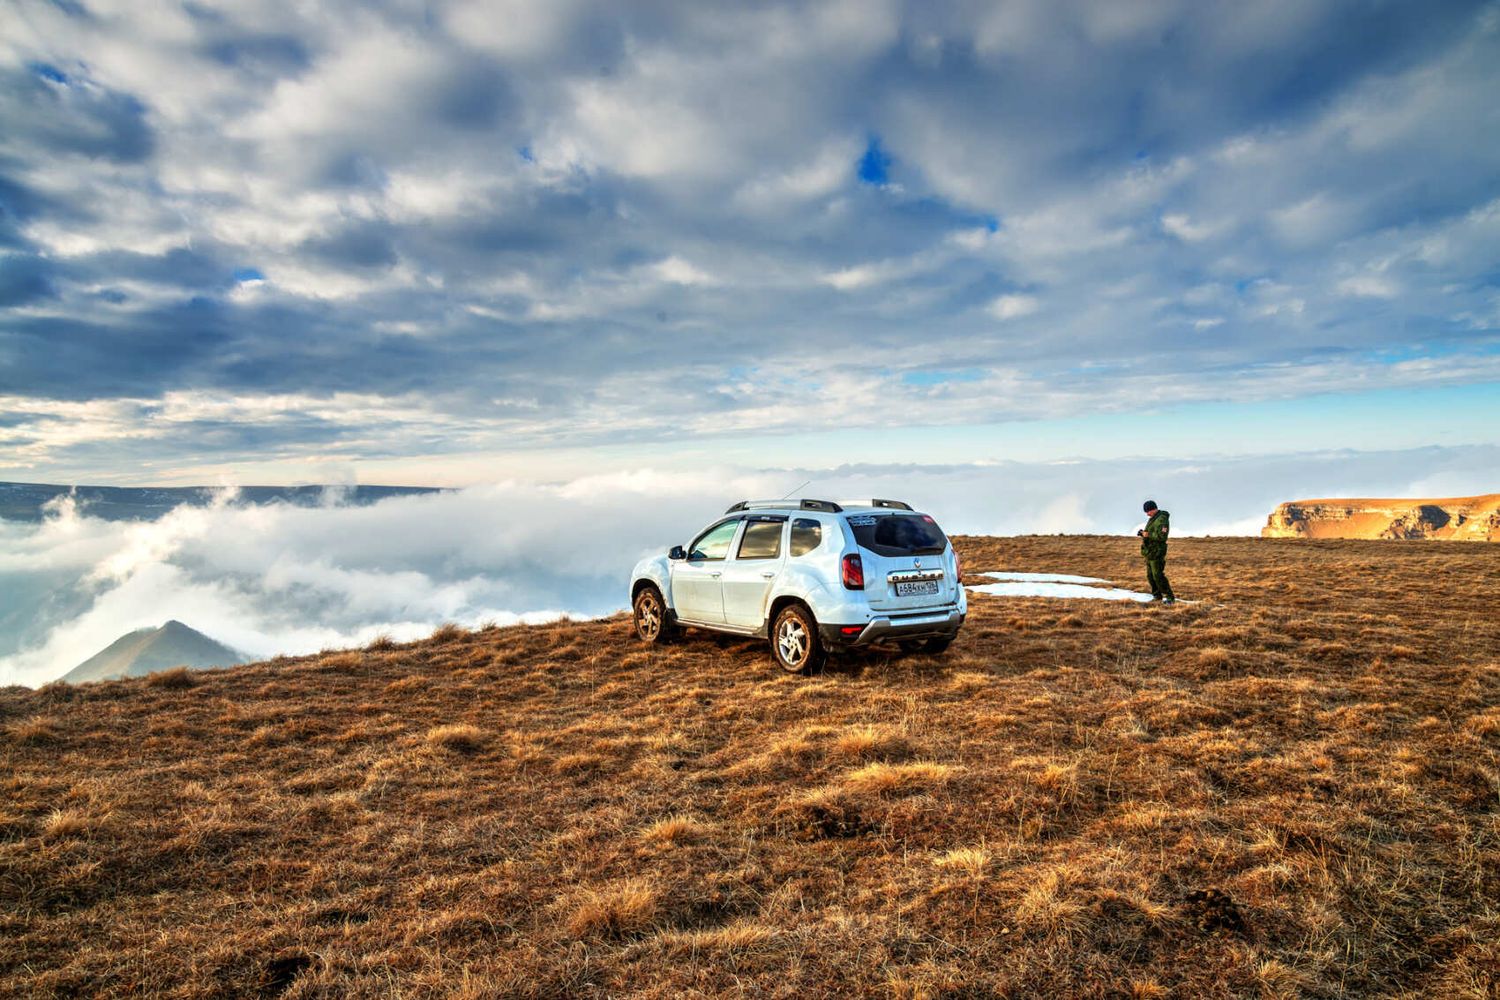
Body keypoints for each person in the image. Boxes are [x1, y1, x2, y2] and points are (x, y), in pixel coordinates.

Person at [1136, 500, 1176, 604]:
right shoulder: (1153, 518)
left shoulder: (1162, 519)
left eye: (1148, 511)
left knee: (1158, 575)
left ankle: (1170, 597)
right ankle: (1157, 596)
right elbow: (1151, 533)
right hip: (1150, 552)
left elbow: (1162, 536)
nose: (1147, 514)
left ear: (1153, 509)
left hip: (1157, 552)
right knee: (1150, 576)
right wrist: (1143, 534)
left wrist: (1147, 534)